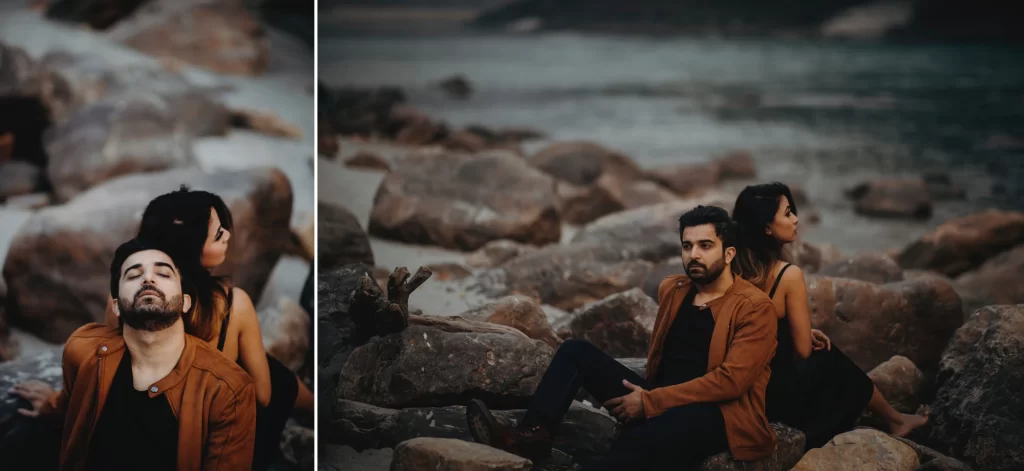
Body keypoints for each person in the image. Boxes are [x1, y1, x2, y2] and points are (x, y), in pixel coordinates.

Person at [465, 205, 779, 470]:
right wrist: (647, 395)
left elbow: (730, 383)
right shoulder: (674, 289)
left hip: (719, 415)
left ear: (729, 254)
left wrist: (650, 403)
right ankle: (532, 436)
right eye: (687, 246)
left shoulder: (754, 307)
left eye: (705, 246)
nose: (693, 255)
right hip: (662, 395)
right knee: (575, 351)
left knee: (637, 442)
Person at [102, 186, 313, 469]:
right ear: (191, 246)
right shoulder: (232, 305)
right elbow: (262, 395)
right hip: (207, 437)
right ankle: (318, 410)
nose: (227, 235)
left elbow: (111, 367)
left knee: (264, 363)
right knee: (274, 375)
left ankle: (314, 406)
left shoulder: (123, 296)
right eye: (217, 234)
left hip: (146, 426)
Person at [10, 238, 257, 470]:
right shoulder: (82, 349)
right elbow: (71, 405)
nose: (148, 279)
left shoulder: (228, 389)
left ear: (185, 302)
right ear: (116, 305)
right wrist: (51, 407)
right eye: (133, 275)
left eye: (163, 273)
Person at [731, 182, 929, 449]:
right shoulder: (787, 275)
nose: (796, 219)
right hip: (774, 396)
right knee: (825, 352)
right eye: (788, 213)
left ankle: (894, 418)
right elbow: (802, 350)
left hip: (742, 388)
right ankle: (894, 418)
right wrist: (802, 333)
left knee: (820, 347)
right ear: (767, 228)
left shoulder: (731, 271)